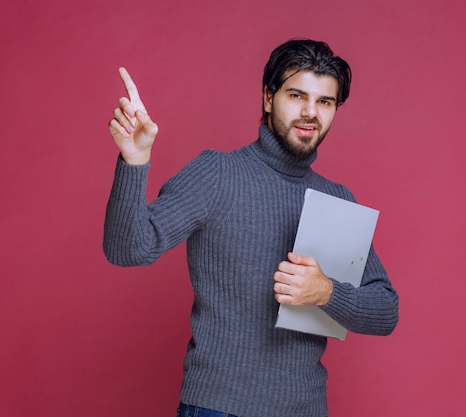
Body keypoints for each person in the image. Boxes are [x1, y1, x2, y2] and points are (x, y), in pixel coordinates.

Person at [104, 39, 399, 417]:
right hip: (220, 407)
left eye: (325, 102)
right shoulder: (217, 174)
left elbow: (386, 311)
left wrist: (327, 292)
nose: (310, 112)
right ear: (267, 98)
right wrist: (135, 161)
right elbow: (128, 250)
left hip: (306, 409)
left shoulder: (337, 199)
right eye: (296, 95)